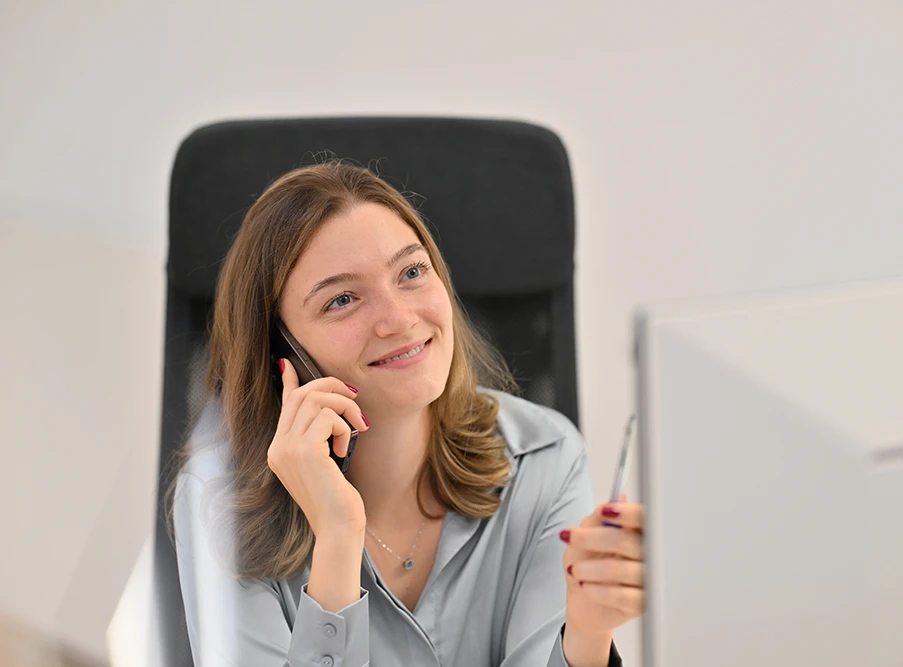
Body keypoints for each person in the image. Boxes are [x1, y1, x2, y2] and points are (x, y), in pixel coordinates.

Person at [168, 161, 645, 667]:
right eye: (343, 300)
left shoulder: (544, 456)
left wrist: (588, 631)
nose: (399, 319)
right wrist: (337, 538)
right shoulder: (218, 502)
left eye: (412, 272)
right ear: (281, 352)